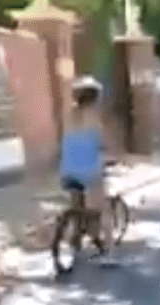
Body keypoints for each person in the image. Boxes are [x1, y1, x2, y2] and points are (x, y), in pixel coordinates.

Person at [59, 75, 111, 247]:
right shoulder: (92, 115)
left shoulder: (70, 115)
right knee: (101, 206)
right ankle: (108, 248)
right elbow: (98, 141)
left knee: (77, 201)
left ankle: (76, 234)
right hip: (88, 164)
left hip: (70, 163)